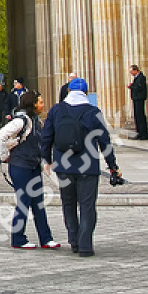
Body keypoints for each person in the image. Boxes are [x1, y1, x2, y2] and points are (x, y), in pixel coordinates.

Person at [39, 77, 121, 257]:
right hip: (88, 167)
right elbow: (104, 141)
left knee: (68, 204)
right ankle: (85, 245)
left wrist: (47, 159)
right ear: (86, 92)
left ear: (68, 91)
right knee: (87, 206)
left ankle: (74, 240)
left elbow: (46, 137)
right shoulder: (93, 112)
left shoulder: (56, 110)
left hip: (63, 166)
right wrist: (112, 165)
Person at [0, 92, 59, 250]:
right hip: (20, 166)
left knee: (38, 203)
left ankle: (46, 238)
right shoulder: (21, 121)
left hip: (32, 165)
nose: (43, 105)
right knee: (23, 202)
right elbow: (0, 135)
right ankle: (18, 238)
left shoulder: (36, 120)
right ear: (33, 104)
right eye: (40, 102)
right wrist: (4, 156)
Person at [127, 64, 148, 141]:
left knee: (140, 116)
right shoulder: (137, 78)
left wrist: (131, 86)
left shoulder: (141, 77)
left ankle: (143, 133)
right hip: (136, 99)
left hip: (139, 98)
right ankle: (139, 133)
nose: (131, 73)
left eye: (132, 72)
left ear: (136, 70)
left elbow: (139, 87)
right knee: (137, 116)